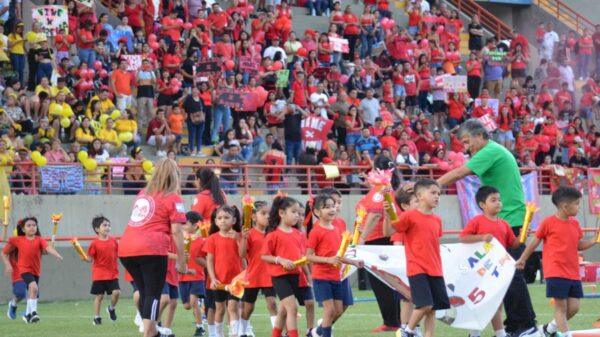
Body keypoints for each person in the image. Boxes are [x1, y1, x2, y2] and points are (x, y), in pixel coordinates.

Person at [432, 119, 538, 337]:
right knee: (503, 275)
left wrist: (430, 187)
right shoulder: (494, 150)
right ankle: (515, 326)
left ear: (480, 135)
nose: (466, 148)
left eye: (467, 142)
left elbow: (460, 172)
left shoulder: (490, 151)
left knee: (510, 274)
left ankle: (526, 325)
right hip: (509, 217)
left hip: (510, 219)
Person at [118, 158, 188, 337]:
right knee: (153, 294)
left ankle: (153, 332)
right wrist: (181, 261)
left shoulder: (143, 193)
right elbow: (178, 232)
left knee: (144, 292)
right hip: (151, 248)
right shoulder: (173, 198)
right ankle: (150, 333)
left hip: (126, 247)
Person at [516, 187, 598, 337]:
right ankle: (566, 335)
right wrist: (522, 259)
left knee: (574, 308)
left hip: (573, 272)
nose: (579, 208)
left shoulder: (575, 224)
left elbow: (578, 245)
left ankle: (548, 330)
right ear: (565, 207)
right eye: (577, 204)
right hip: (556, 272)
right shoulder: (548, 223)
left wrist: (594, 240)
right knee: (561, 308)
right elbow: (535, 242)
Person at [459, 186, 523, 337]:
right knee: (481, 301)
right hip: (480, 269)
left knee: (497, 301)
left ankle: (499, 332)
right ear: (482, 205)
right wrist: (481, 237)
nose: (498, 203)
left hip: (497, 269)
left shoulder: (504, 224)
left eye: (499, 200)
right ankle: (475, 333)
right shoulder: (476, 221)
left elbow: (513, 244)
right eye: (493, 200)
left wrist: (522, 237)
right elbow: (463, 238)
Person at [393, 179, 449, 337]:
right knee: (425, 305)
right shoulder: (410, 216)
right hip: (417, 268)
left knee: (432, 310)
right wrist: (387, 211)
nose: (437, 196)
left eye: (438, 193)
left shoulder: (437, 220)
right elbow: (390, 230)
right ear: (420, 195)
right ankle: (408, 331)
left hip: (436, 270)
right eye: (433, 192)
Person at [307, 194, 364, 337]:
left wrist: (354, 262)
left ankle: (317, 333)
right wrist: (327, 260)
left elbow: (339, 255)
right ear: (317, 212)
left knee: (338, 310)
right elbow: (308, 256)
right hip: (321, 278)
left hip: (336, 277)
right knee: (329, 310)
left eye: (333, 206)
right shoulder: (315, 232)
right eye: (326, 207)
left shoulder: (337, 230)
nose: (332, 209)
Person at [1, 217, 63, 323]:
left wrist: (56, 254)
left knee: (33, 291)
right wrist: (5, 226)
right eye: (29, 225)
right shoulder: (18, 240)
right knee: (33, 287)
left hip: (36, 270)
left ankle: (28, 315)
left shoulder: (39, 239)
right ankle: (34, 312)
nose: (32, 227)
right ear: (23, 229)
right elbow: (4, 238)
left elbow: (47, 249)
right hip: (24, 269)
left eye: (34, 225)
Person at [261, 196, 304, 337]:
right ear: (281, 213)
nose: (297, 215)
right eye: (294, 212)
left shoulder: (299, 234)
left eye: (299, 212)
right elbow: (265, 256)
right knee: (292, 308)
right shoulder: (273, 235)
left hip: (295, 276)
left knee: (283, 311)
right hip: (280, 277)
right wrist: (281, 260)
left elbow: (303, 255)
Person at [239, 200, 278, 335]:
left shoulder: (273, 233)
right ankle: (242, 332)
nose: (268, 216)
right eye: (263, 213)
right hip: (253, 275)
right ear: (254, 217)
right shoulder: (249, 233)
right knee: (248, 308)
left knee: (272, 304)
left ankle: (276, 333)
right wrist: (243, 239)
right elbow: (242, 254)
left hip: (269, 274)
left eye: (269, 214)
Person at [204, 205, 243, 337]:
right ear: (215, 222)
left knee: (233, 307)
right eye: (219, 218)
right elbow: (209, 260)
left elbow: (243, 256)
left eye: (226, 217)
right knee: (219, 309)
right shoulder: (212, 239)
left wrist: (246, 273)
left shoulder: (239, 236)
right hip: (219, 281)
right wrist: (213, 278)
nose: (223, 220)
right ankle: (218, 334)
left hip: (236, 280)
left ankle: (234, 333)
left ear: (234, 220)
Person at [84, 215, 120, 325]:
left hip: (113, 273)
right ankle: (97, 317)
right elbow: (89, 259)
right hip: (99, 274)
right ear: (97, 229)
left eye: (109, 225)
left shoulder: (114, 241)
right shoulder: (94, 243)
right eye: (104, 225)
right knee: (99, 296)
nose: (107, 227)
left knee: (116, 292)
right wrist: (85, 258)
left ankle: (111, 308)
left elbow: (119, 254)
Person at [179, 211, 207, 337]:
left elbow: (206, 257)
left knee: (193, 301)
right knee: (187, 305)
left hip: (197, 276)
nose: (182, 225)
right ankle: (199, 305)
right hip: (182, 277)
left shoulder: (201, 240)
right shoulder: (179, 240)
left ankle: (200, 327)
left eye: (185, 223)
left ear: (195, 226)